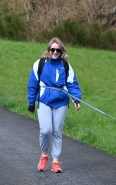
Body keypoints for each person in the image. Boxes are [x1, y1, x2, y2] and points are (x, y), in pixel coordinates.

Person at [27, 37, 82, 173]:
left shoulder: (66, 66)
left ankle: (56, 161)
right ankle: (44, 155)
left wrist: (76, 99)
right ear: (48, 50)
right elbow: (32, 85)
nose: (55, 52)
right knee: (45, 130)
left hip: (61, 102)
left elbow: (72, 84)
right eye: (52, 50)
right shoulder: (39, 64)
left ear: (61, 51)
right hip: (44, 101)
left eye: (58, 50)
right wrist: (31, 103)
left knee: (57, 131)